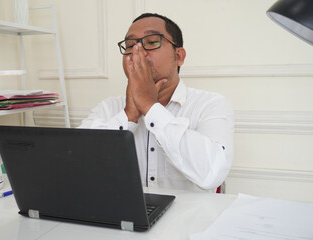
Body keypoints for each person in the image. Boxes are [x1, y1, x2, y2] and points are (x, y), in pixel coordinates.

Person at [79, 13, 234, 192]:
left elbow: (211, 174)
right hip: (124, 218)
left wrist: (150, 107)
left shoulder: (211, 104)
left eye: (152, 42)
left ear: (179, 56)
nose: (138, 52)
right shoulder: (107, 108)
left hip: (190, 219)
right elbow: (77, 166)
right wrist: (128, 117)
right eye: (130, 45)